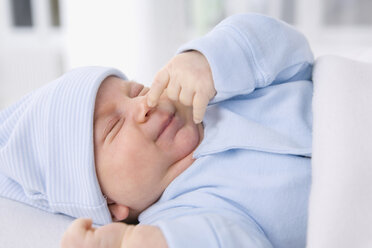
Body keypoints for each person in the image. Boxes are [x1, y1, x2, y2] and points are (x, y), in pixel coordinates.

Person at [0, 13, 313, 248]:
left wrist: (209, 58)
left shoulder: (219, 87)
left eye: (135, 91)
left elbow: (295, 56)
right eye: (113, 127)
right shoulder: (179, 217)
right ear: (110, 204)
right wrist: (137, 243)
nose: (142, 105)